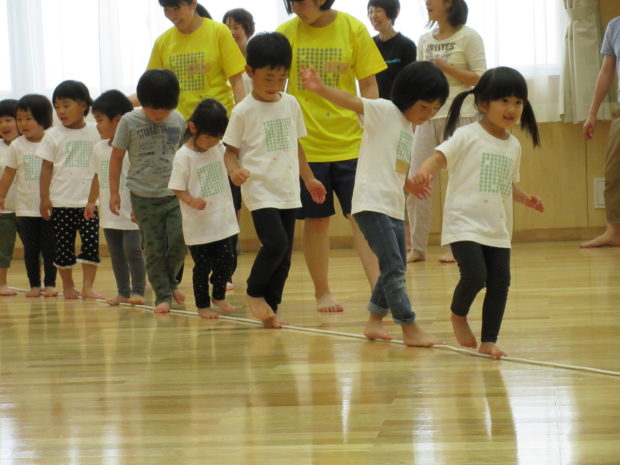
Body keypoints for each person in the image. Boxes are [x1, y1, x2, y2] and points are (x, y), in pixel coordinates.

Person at [301, 60, 448, 346]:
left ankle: (374, 322)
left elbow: (396, 168)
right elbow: (352, 101)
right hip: (371, 204)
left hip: (392, 205)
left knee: (395, 265)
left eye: (434, 109)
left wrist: (409, 185)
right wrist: (320, 88)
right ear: (407, 96)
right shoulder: (385, 111)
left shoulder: (408, 127)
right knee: (393, 266)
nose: (428, 115)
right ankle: (409, 326)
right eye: (424, 107)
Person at [409, 67, 544, 358]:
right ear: (483, 103)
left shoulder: (513, 145)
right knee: (475, 276)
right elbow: (438, 157)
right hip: (464, 223)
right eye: (504, 100)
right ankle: (458, 316)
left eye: (518, 102)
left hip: (497, 227)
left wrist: (525, 198)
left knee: (500, 283)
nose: (511, 108)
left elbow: (507, 183)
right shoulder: (466, 135)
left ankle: (489, 340)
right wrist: (424, 173)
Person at [278, 0, 385, 313]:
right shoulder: (285, 34)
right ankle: (322, 292)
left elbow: (369, 84)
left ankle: (380, 292)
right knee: (316, 221)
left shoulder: (353, 29)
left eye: (302, 1)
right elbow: (275, 88)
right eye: (291, 2)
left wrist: (373, 130)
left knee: (363, 220)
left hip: (352, 144)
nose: (296, 7)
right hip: (307, 148)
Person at [223, 32, 326, 328]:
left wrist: (309, 179)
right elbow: (229, 153)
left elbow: (296, 145)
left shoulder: (291, 103)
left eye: (282, 78)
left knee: (285, 255)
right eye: (268, 78)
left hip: (288, 189)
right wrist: (234, 171)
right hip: (260, 190)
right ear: (250, 72)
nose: (275, 85)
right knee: (276, 244)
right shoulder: (243, 111)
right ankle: (254, 291)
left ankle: (272, 307)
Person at [405, 0, 486, 263]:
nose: (427, 3)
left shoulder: (469, 36)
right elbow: (419, 79)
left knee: (460, 184)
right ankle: (417, 248)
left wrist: (445, 68)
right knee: (417, 179)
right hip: (427, 117)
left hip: (461, 115)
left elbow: (480, 78)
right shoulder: (424, 39)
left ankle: (457, 246)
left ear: (449, 3)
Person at [110, 69, 187, 314]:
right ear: (142, 101)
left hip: (174, 194)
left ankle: (170, 282)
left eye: (165, 109)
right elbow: (116, 157)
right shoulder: (129, 121)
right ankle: (163, 295)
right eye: (153, 109)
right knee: (153, 250)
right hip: (143, 197)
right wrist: (114, 192)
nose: (159, 114)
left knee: (179, 242)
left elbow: (185, 156)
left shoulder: (178, 120)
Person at [169, 99, 238, 319]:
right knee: (202, 266)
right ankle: (202, 305)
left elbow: (231, 162)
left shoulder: (218, 147)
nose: (213, 142)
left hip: (222, 220)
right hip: (199, 225)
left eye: (218, 137)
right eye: (209, 137)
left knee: (227, 260)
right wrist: (190, 200)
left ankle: (219, 295)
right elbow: (176, 187)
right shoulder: (183, 156)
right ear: (193, 127)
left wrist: (238, 171)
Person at [36, 81, 103, 300]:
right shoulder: (52, 135)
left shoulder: (96, 132)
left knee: (91, 245)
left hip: (88, 203)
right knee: (63, 248)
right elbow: (46, 169)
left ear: (83, 105)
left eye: (66, 105)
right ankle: (68, 286)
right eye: (57, 107)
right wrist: (44, 198)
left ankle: (88, 287)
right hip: (61, 202)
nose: (61, 111)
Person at [85, 90, 146, 307]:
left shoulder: (133, 149)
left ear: (118, 120)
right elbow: (96, 176)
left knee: (133, 251)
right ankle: (123, 291)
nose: (97, 126)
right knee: (117, 253)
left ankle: (138, 290)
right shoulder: (99, 149)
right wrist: (91, 201)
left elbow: (142, 179)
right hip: (109, 214)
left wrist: (141, 207)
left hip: (132, 213)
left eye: (100, 120)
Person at [145, 0, 247, 118]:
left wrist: (242, 120)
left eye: (176, 9)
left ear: (193, 3)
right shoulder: (162, 42)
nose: (172, 16)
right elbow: (150, 88)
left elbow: (237, 81)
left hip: (219, 121)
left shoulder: (219, 32)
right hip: (181, 124)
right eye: (166, 10)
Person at [0, 95, 57, 298]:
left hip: (49, 207)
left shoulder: (52, 141)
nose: (22, 123)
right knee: (30, 250)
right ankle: (34, 285)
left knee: (49, 249)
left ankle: (49, 284)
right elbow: (8, 172)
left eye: (28, 118)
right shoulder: (17, 145)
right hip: (24, 208)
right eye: (19, 119)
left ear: (43, 119)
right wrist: (1, 195)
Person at [581, 16, 620, 248]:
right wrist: (592, 113)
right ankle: (614, 231)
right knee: (614, 173)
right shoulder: (615, 26)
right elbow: (607, 71)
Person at [367, 0, 417, 99]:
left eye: (378, 10)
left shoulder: (407, 45)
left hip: (397, 105)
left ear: (394, 12)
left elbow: (411, 83)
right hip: (374, 104)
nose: (373, 15)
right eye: (371, 11)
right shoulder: (369, 44)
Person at [0, 99, 19, 296]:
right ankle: (1, 283)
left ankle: (38, 282)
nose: (4, 125)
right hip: (4, 210)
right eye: (0, 121)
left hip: (28, 208)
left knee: (36, 248)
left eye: (8, 120)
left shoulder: (28, 146)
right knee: (3, 248)